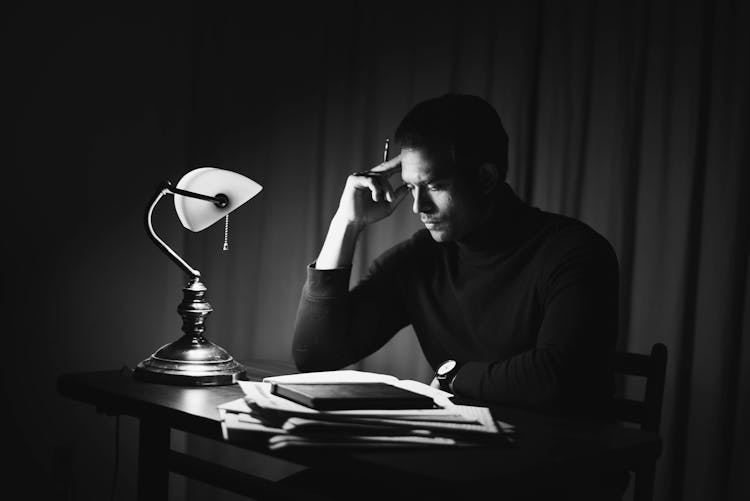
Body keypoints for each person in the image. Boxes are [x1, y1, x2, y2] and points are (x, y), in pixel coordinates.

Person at [288, 94, 626, 499]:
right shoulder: (422, 260)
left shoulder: (574, 251)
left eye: (434, 185)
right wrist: (346, 223)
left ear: (486, 178)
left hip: (558, 473)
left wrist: (452, 374)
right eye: (411, 186)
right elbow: (315, 355)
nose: (417, 206)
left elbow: (555, 378)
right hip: (454, 464)